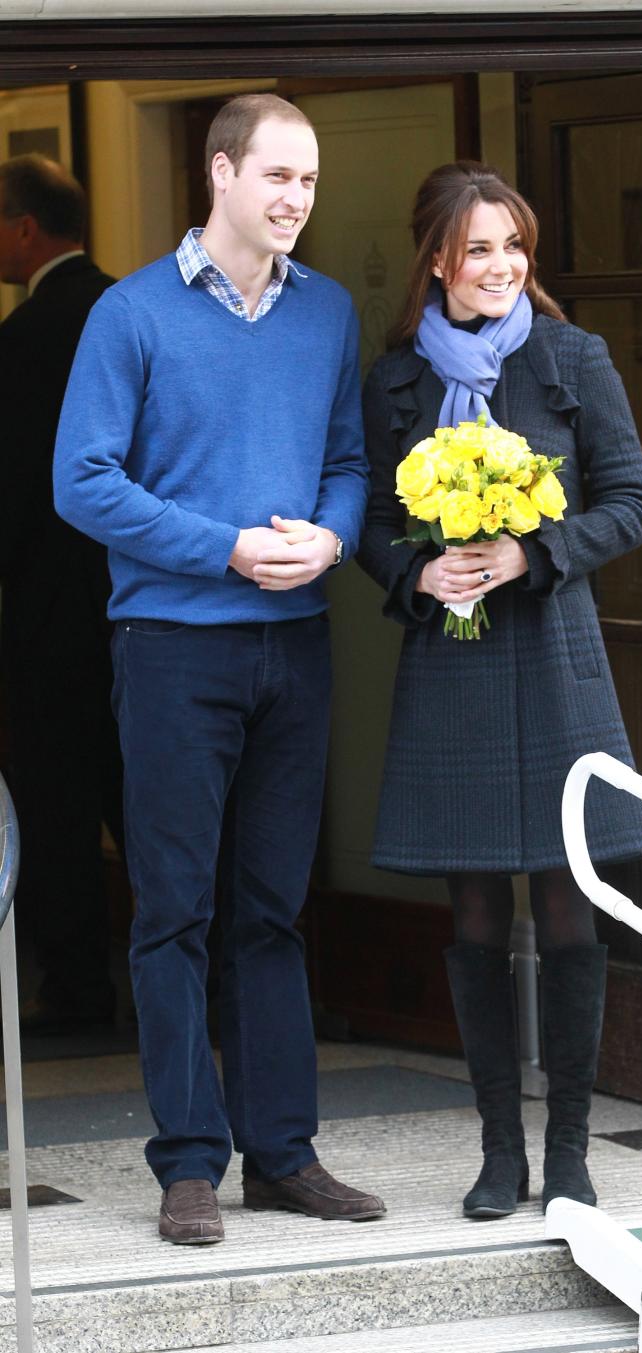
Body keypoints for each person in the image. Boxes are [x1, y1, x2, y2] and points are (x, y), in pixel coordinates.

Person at [53, 93, 384, 1245]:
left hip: (294, 648)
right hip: (171, 650)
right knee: (174, 911)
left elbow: (348, 460)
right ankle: (188, 1162)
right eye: (278, 176)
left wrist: (334, 538)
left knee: (272, 912)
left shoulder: (328, 312)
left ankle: (280, 1155)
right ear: (222, 173)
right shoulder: (130, 315)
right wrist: (228, 547)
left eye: (310, 181)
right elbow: (81, 482)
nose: (296, 199)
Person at [358, 161, 642, 1219]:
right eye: (478, 249)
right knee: (476, 913)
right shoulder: (394, 380)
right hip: (453, 666)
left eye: (513, 247)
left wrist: (537, 553)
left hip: (556, 658)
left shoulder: (574, 355)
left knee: (570, 909)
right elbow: (369, 524)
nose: (500, 267)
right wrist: (415, 569)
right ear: (437, 259)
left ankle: (570, 1153)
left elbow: (634, 501)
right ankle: (499, 1154)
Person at [0, 154, 123, 1035]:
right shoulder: (136, 308)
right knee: (150, 802)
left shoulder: (24, 335)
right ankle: (197, 987)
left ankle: (78, 986)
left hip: (47, 612)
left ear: (23, 229)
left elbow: (11, 488)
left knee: (57, 807)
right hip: (146, 599)